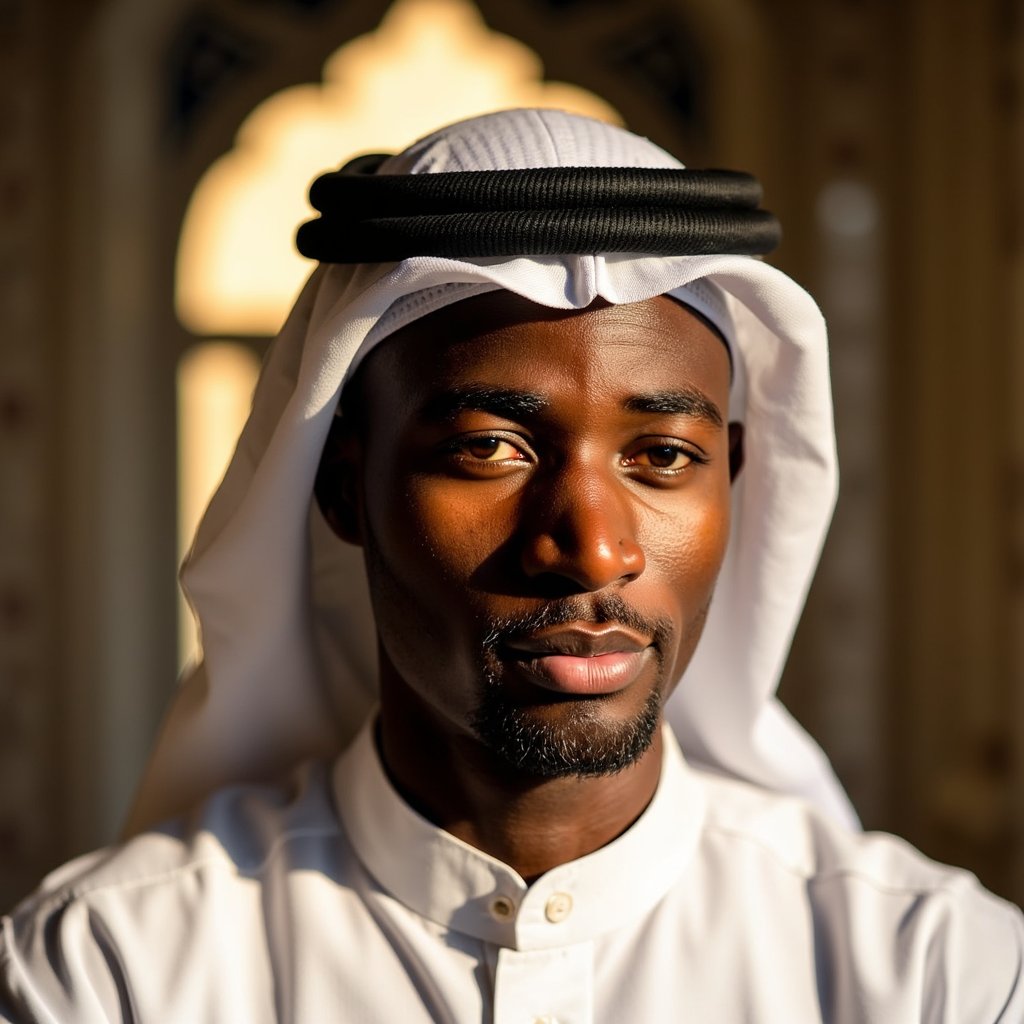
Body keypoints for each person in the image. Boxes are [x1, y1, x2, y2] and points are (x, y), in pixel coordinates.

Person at [1, 108, 1021, 1023]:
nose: (591, 546)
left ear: (736, 482)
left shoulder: (938, 973)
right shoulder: (108, 972)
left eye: (661, 457)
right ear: (342, 483)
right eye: (491, 447)